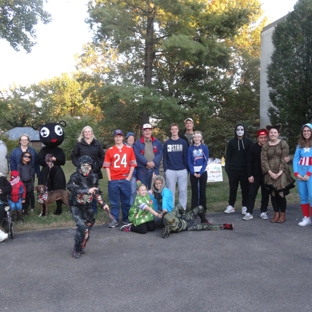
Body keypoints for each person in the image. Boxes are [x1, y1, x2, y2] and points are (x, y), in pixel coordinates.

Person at [67, 155, 109, 259]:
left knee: (88, 227)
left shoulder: (94, 176)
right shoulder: (75, 176)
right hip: (76, 206)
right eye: (83, 165)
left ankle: (81, 246)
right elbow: (71, 187)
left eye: (88, 165)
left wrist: (103, 204)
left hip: (87, 205)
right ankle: (76, 249)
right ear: (79, 166)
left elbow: (96, 192)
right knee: (82, 227)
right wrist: (86, 191)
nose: (86, 167)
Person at [261, 124, 295, 223]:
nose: (273, 134)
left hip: (282, 171)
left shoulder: (283, 143)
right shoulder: (266, 146)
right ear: (269, 134)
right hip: (269, 172)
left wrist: (279, 172)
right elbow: (264, 160)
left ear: (278, 134)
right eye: (271, 132)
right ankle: (276, 213)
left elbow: (284, 158)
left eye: (275, 132)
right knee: (273, 193)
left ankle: (282, 214)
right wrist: (270, 172)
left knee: (280, 193)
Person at [103, 129, 137, 228]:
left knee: (126, 201)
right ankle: (115, 219)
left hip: (125, 178)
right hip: (113, 179)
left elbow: (132, 164)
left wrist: (129, 176)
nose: (118, 138)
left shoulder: (129, 149)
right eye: (116, 137)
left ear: (122, 137)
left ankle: (126, 219)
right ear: (114, 138)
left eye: (120, 136)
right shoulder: (110, 150)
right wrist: (109, 178)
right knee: (114, 202)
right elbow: (107, 166)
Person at [71, 126, 104, 213]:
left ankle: (93, 209)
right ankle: (84, 209)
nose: (87, 133)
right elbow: (74, 156)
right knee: (84, 190)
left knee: (94, 190)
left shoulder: (97, 144)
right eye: (85, 132)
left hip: (94, 172)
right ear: (83, 133)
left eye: (89, 132)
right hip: (82, 173)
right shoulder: (79, 144)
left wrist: (97, 167)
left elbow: (102, 157)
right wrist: (78, 166)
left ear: (92, 133)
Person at [37, 122, 67, 215]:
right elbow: (39, 161)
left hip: (57, 171)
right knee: (45, 189)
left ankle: (59, 208)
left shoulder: (59, 150)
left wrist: (55, 159)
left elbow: (63, 161)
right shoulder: (43, 150)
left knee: (59, 188)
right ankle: (44, 208)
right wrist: (45, 162)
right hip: (46, 171)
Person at [224, 124, 253, 214]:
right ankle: (231, 205)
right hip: (233, 170)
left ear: (244, 130)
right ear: (235, 131)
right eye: (238, 129)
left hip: (245, 170)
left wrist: (250, 170)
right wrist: (227, 169)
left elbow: (251, 156)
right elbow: (228, 156)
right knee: (233, 188)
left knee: (245, 189)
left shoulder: (249, 142)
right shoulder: (231, 142)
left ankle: (245, 206)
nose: (240, 131)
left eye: (241, 129)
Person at [243, 129, 270, 221]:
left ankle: (263, 211)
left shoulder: (270, 147)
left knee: (265, 194)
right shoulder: (253, 148)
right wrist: (250, 175)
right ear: (258, 138)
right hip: (255, 175)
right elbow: (249, 162)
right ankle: (249, 212)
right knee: (251, 194)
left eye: (265, 137)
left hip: (266, 175)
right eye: (261, 138)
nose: (263, 139)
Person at [161, 205, 234, 239]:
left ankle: (203, 220)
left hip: (186, 217)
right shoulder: (168, 227)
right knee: (206, 227)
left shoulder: (173, 213)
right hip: (188, 227)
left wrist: (184, 214)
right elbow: (164, 235)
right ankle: (224, 226)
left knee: (200, 208)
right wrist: (167, 225)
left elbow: (178, 206)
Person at [10, 134, 40, 212]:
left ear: (28, 141)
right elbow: (12, 164)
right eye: (22, 140)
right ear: (20, 141)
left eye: (25, 139)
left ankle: (32, 206)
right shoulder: (15, 151)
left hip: (30, 174)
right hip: (19, 175)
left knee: (30, 190)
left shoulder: (32, 151)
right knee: (20, 190)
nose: (24, 141)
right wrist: (14, 175)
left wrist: (38, 173)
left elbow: (36, 163)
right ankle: (22, 206)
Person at [163, 123, 188, 209]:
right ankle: (171, 209)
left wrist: (186, 169)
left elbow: (185, 156)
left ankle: (182, 209)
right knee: (171, 192)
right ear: (170, 130)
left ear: (178, 130)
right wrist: (166, 169)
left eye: (175, 129)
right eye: (172, 129)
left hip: (182, 170)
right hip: (170, 170)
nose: (174, 130)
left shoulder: (183, 143)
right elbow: (165, 157)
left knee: (182, 191)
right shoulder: (167, 143)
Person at [293, 123, 312, 226]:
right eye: (304, 131)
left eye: (308, 131)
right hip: (300, 173)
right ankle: (306, 217)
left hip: (310, 174)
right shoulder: (300, 145)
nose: (306, 133)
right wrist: (296, 172)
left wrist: (309, 173)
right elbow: (296, 159)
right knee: (303, 196)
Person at [187, 131, 209, 223]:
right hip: (193, 172)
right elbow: (189, 161)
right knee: (195, 191)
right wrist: (193, 172)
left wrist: (200, 172)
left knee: (202, 190)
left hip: (202, 171)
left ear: (201, 138)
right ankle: (194, 209)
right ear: (193, 139)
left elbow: (206, 160)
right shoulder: (190, 148)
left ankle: (203, 209)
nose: (196, 139)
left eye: (198, 137)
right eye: (195, 137)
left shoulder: (204, 147)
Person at [133, 123, 162, 189]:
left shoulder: (157, 142)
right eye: (145, 131)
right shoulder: (138, 143)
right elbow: (137, 155)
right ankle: (143, 199)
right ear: (142, 132)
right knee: (142, 188)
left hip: (154, 169)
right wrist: (147, 162)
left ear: (151, 131)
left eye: (149, 130)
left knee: (154, 188)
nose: (147, 132)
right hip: (142, 170)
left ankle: (153, 199)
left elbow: (160, 153)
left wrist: (153, 162)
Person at [17, 151, 35, 216]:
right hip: (22, 183)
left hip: (29, 183)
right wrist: (20, 184)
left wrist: (32, 185)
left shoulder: (30, 166)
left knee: (28, 196)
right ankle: (22, 209)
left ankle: (26, 209)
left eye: (29, 157)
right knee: (22, 196)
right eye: (25, 156)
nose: (27, 158)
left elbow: (31, 176)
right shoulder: (19, 166)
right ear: (22, 157)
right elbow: (18, 176)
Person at [124, 131, 137, 206]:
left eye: (132, 138)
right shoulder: (123, 147)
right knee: (125, 191)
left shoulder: (135, 148)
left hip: (133, 173)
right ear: (126, 139)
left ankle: (131, 206)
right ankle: (125, 205)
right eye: (129, 138)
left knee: (133, 191)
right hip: (124, 172)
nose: (131, 139)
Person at [0, 174, 12, 242]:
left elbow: (9, 188)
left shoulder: (2, 178)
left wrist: (2, 190)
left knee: (1, 209)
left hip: (1, 202)